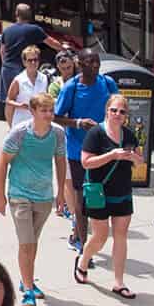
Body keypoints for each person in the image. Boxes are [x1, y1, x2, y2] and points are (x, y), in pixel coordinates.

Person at [0, 91, 71, 306]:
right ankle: (28, 290)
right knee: (26, 243)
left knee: (33, 242)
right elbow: (3, 162)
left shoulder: (57, 134)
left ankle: (25, 278)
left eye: (51, 110)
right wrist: (0, 194)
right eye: (44, 110)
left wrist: (61, 194)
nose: (49, 114)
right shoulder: (19, 133)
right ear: (33, 111)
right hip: (20, 194)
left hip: (44, 196)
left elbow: (60, 162)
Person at [73, 92, 140, 300]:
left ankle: (119, 282)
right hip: (98, 192)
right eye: (114, 110)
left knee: (121, 236)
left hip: (122, 191)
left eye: (122, 111)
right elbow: (86, 162)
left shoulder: (129, 135)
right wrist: (112, 155)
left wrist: (133, 157)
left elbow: (139, 161)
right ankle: (83, 260)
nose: (117, 114)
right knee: (100, 237)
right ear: (107, 111)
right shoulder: (96, 133)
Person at [55, 49, 118, 253]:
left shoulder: (107, 84)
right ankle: (82, 244)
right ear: (80, 64)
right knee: (82, 199)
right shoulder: (71, 88)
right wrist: (78, 123)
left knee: (101, 199)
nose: (95, 66)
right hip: (78, 152)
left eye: (97, 62)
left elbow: (118, 108)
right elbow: (56, 116)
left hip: (104, 150)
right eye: (90, 62)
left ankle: (89, 238)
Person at [4, 43, 55, 130]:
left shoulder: (44, 79)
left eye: (35, 59)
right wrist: (19, 105)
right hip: (21, 123)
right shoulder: (19, 80)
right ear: (24, 62)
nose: (33, 62)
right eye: (30, 60)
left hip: (39, 125)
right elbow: (8, 100)